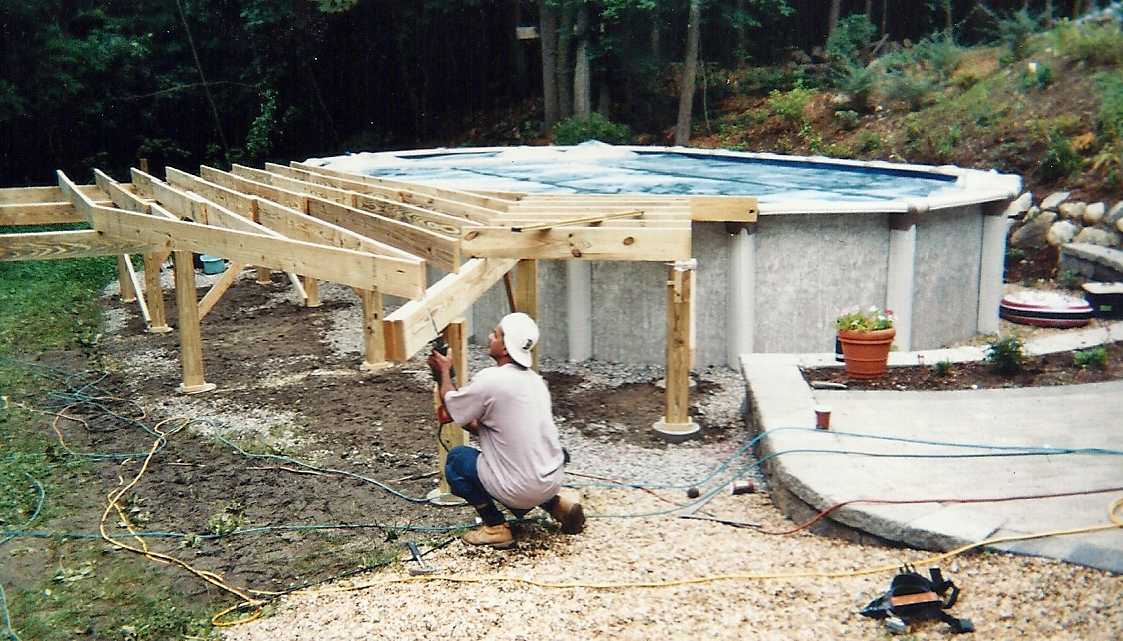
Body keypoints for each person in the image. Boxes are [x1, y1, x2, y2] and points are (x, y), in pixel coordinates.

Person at [427, 312, 584, 548]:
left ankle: (494, 527)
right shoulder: (535, 381)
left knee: (457, 460)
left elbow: (451, 409)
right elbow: (494, 429)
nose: (490, 336)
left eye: (496, 334)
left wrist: (444, 374)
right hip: (551, 478)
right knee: (523, 462)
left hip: (520, 487)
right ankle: (558, 506)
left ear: (506, 348)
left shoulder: (492, 379)